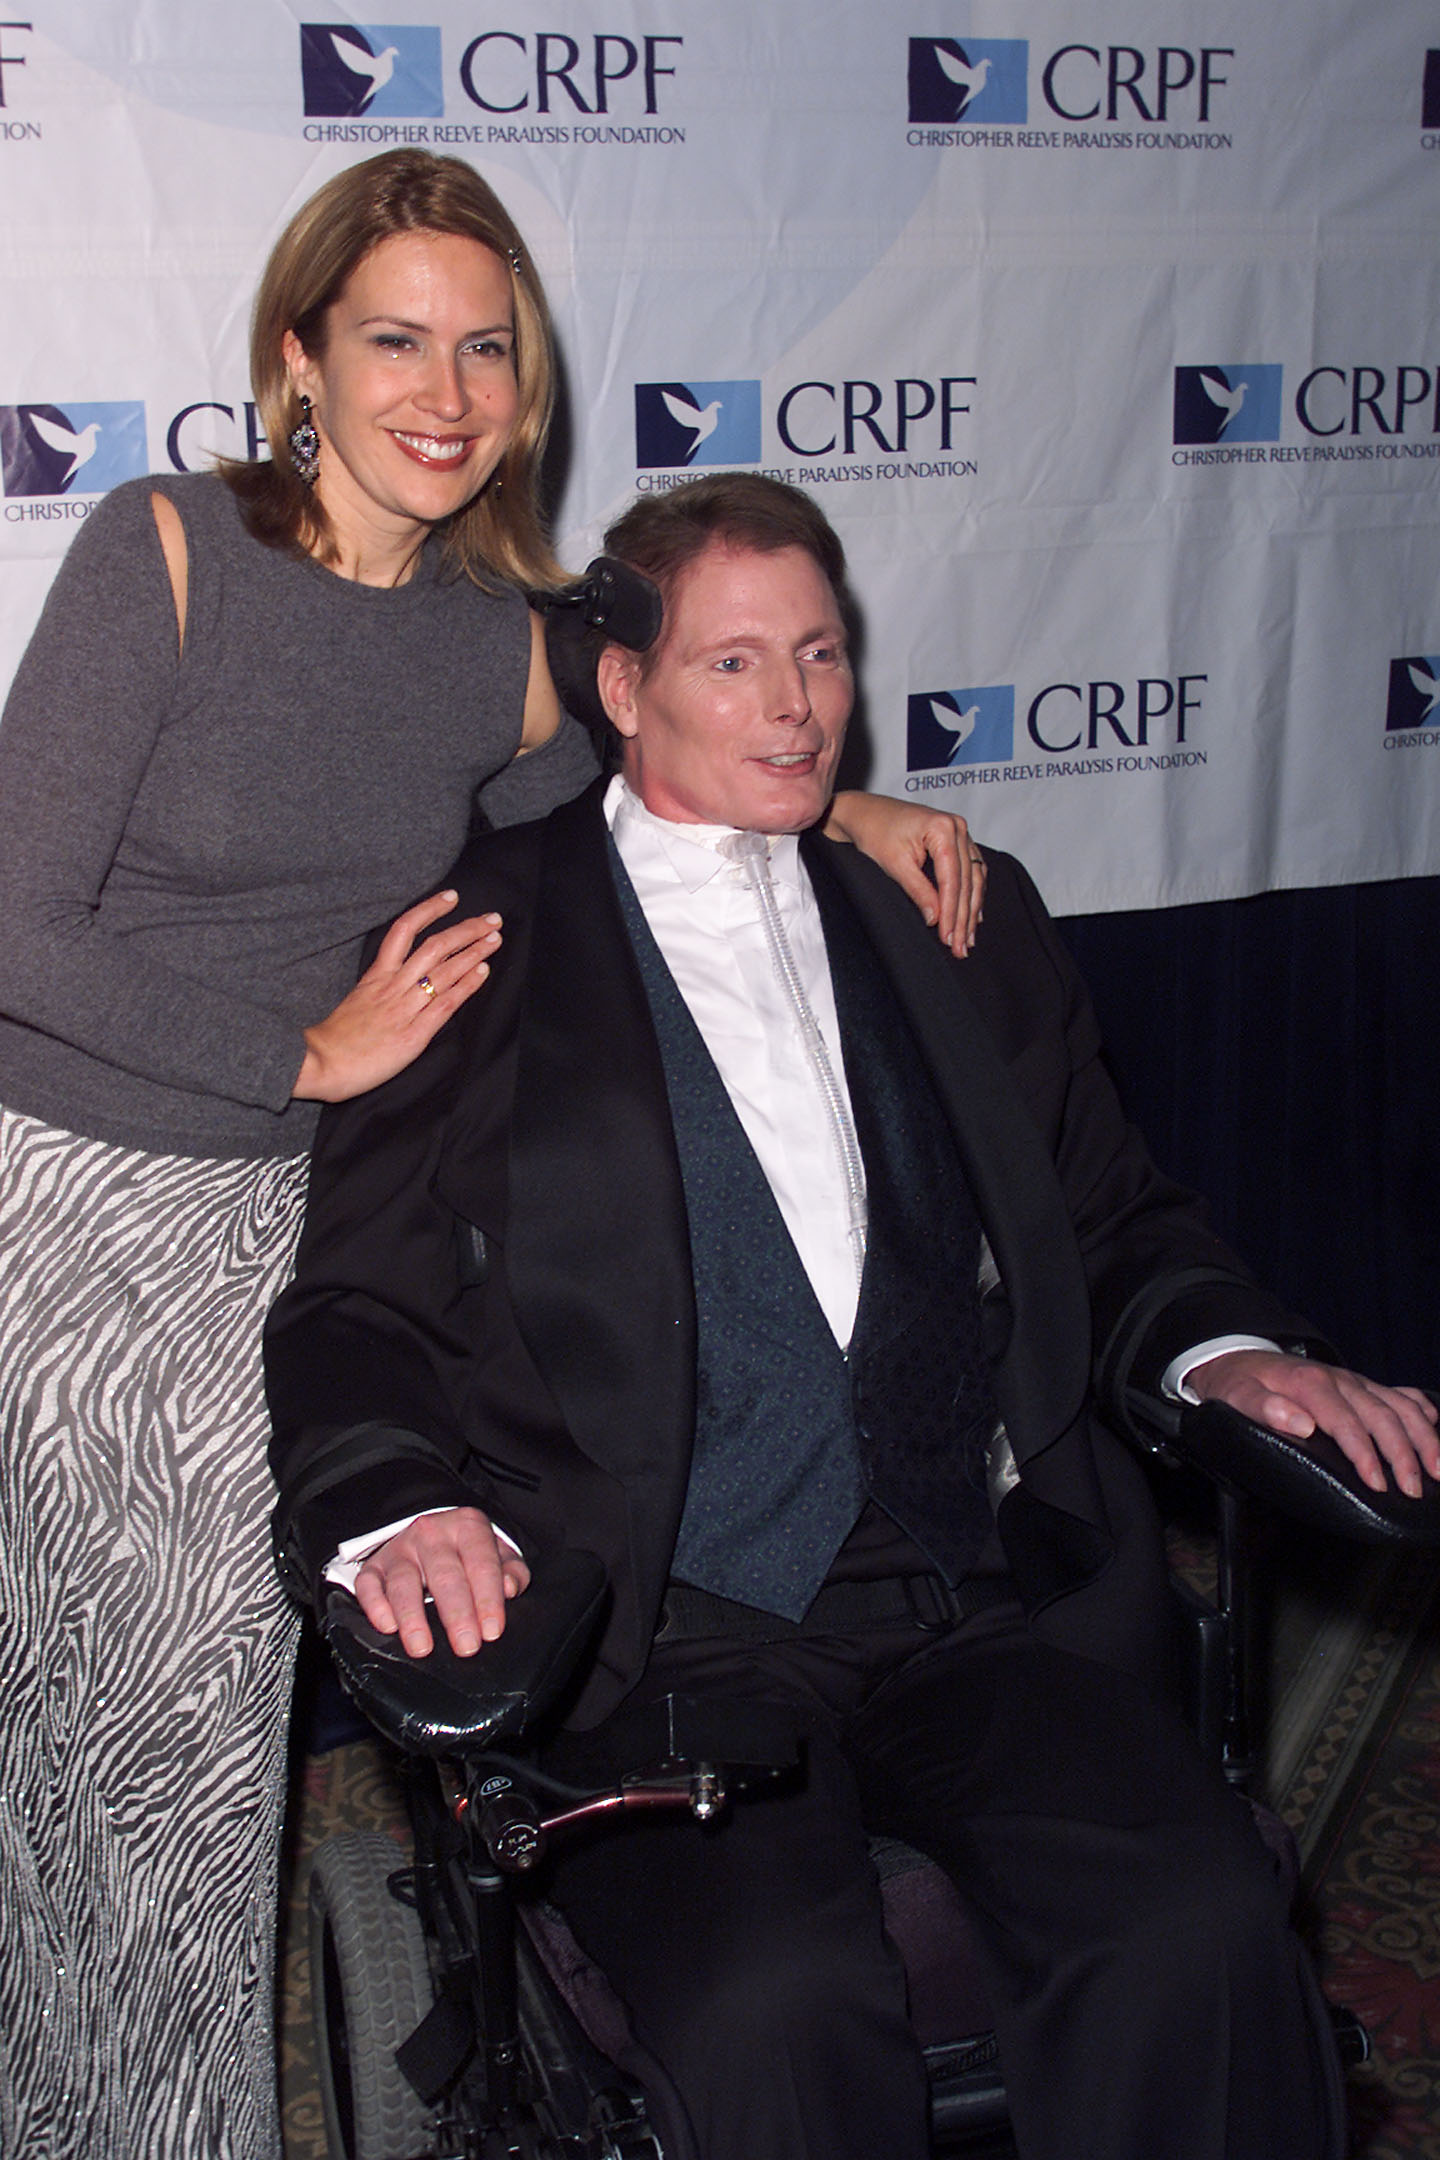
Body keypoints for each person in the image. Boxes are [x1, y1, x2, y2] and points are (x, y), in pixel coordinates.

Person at [265, 471, 1438, 2160]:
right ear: (622, 689)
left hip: (965, 1593)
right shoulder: (476, 946)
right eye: (735, 665)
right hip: (653, 1631)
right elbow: (353, 1307)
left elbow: (1110, 1220)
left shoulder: (955, 914)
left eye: (818, 656)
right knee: (776, 2010)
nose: (797, 707)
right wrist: (400, 1498)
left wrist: (1226, 1348)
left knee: (1190, 1926)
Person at [0, 157, 982, 2160]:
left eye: (485, 347)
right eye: (392, 340)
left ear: (526, 389)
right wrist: (297, 1043)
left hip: (336, 1209)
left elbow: (652, 778)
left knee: (141, 1746)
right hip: (101, 1190)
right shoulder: (165, 553)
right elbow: (12, 921)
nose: (442, 390)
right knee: (163, 1758)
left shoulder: (499, 643)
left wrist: (849, 805)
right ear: (298, 360)